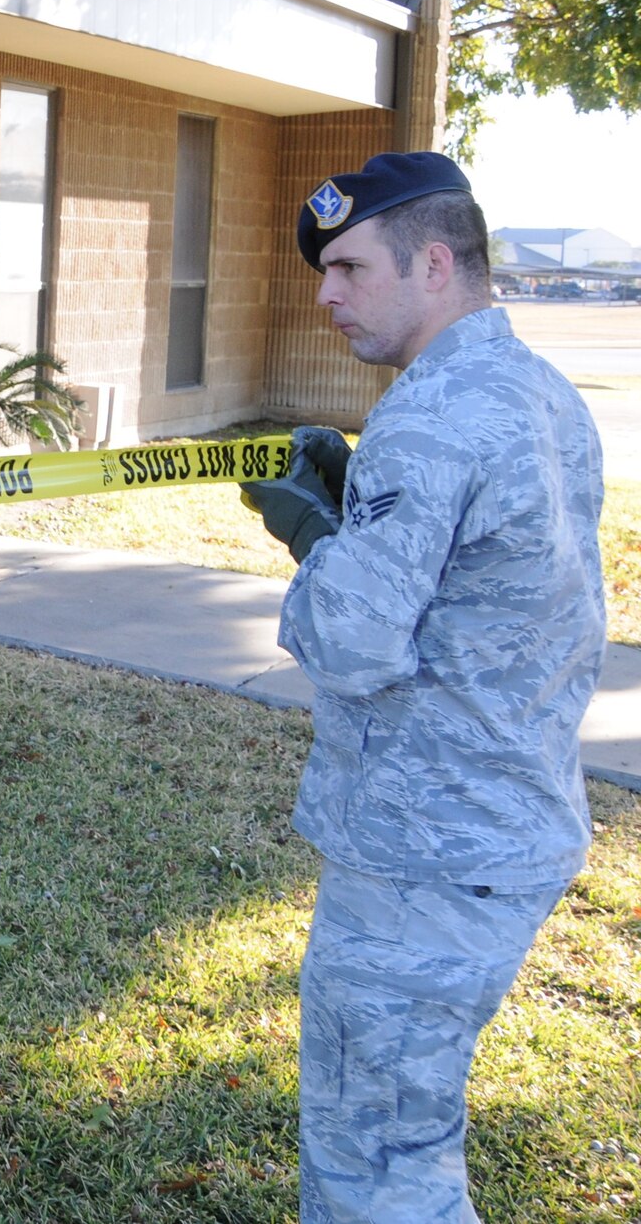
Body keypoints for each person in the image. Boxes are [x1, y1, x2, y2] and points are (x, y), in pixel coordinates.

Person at [240, 151, 605, 1224]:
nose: (326, 295)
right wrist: (359, 511)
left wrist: (315, 540)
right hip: (503, 822)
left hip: (424, 853)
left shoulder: (430, 412)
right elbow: (487, 585)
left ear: (434, 262)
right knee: (402, 1136)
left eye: (350, 268)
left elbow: (352, 640)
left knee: (377, 1164)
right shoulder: (539, 392)